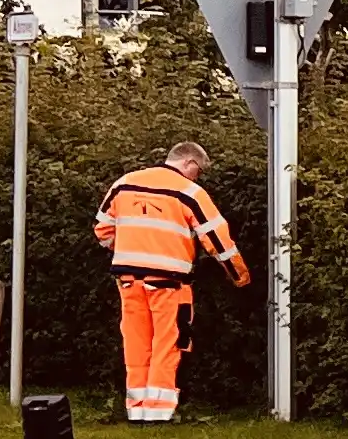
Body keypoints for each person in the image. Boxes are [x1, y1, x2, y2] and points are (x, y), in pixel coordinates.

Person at [92, 142, 249, 423]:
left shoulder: (125, 183)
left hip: (127, 279)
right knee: (167, 342)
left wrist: (126, 247)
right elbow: (217, 239)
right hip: (169, 282)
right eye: (198, 171)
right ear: (189, 163)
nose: (197, 176)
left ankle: (136, 409)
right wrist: (239, 276)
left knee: (136, 342)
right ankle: (158, 412)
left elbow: (102, 228)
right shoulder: (189, 192)